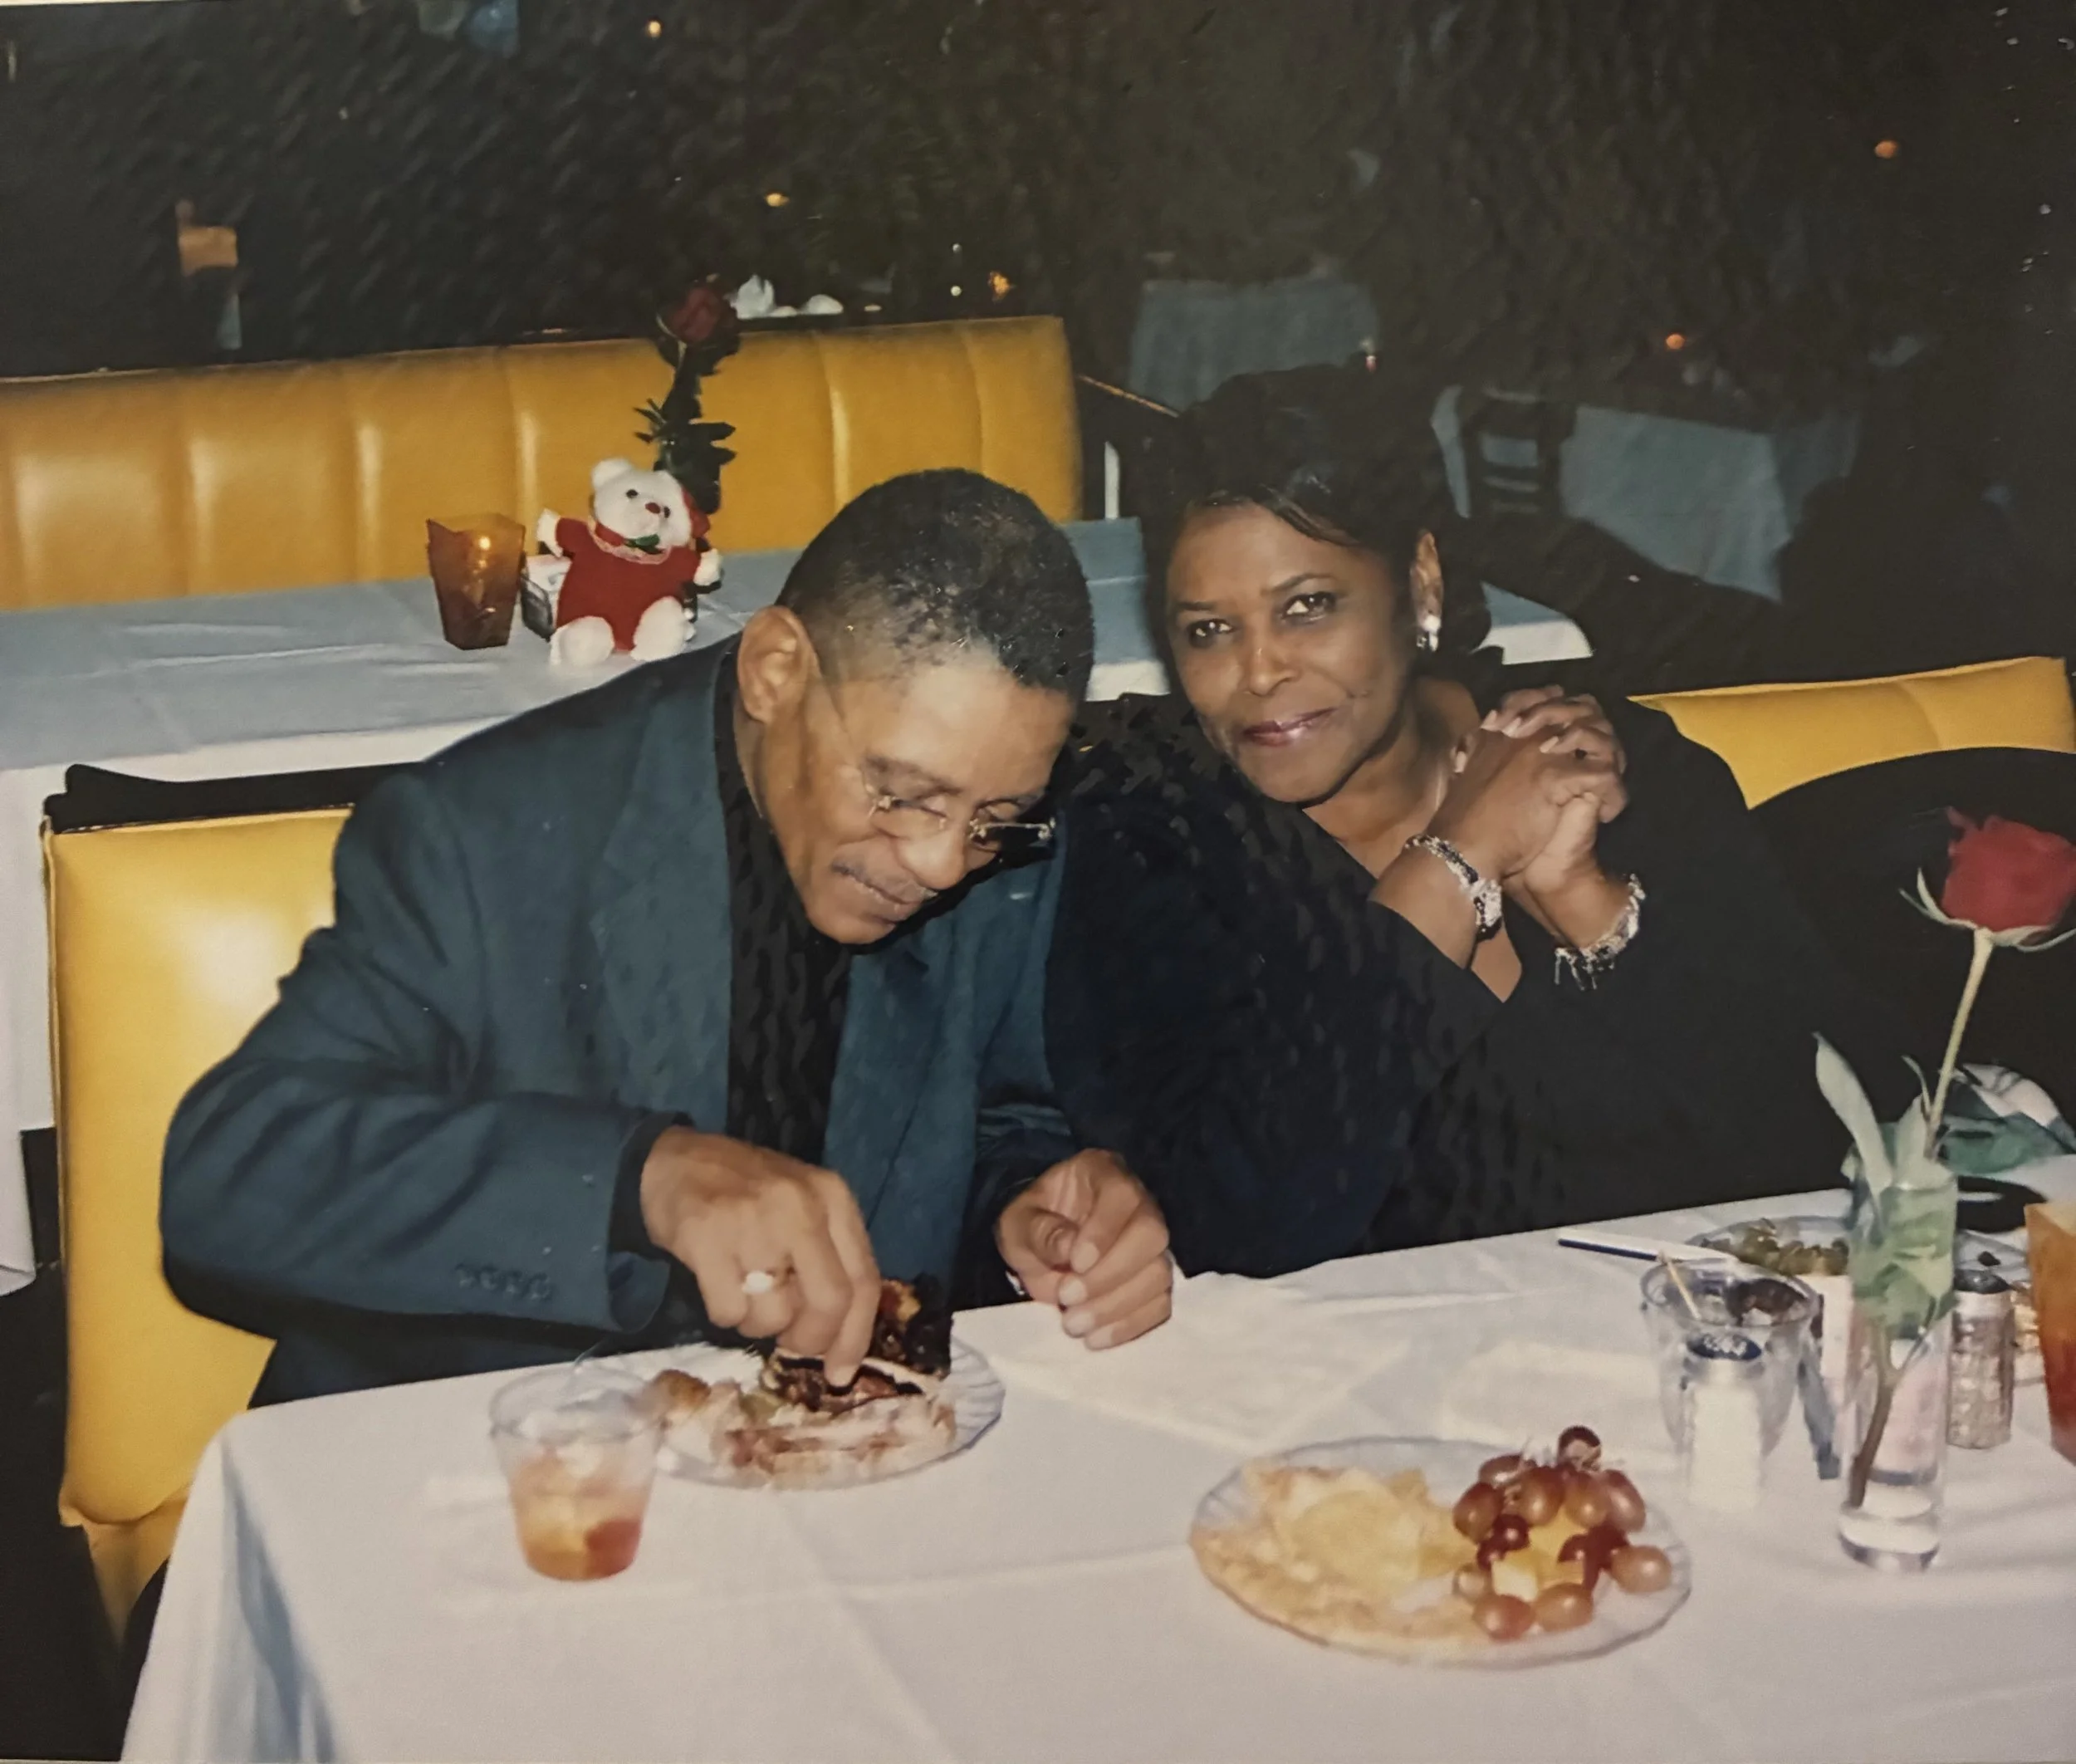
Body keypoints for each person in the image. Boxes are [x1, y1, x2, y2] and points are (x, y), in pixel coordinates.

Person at [163, 469, 1173, 1403]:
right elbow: (231, 1178)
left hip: (817, 1456)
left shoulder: (1000, 835)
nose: (946, 864)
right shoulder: (488, 831)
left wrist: (1030, 1205)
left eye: (995, 819)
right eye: (903, 794)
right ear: (775, 670)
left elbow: (993, 1110)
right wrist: (637, 1181)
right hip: (509, 1467)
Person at [1045, 369, 1910, 1277]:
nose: (1258, 672)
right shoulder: (1152, 840)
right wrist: (1456, 863)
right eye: (1208, 631)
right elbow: (1238, 1222)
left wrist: (1583, 900)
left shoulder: (1606, 767)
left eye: (1308, 606)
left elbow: (1834, 1150)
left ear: (1419, 585)